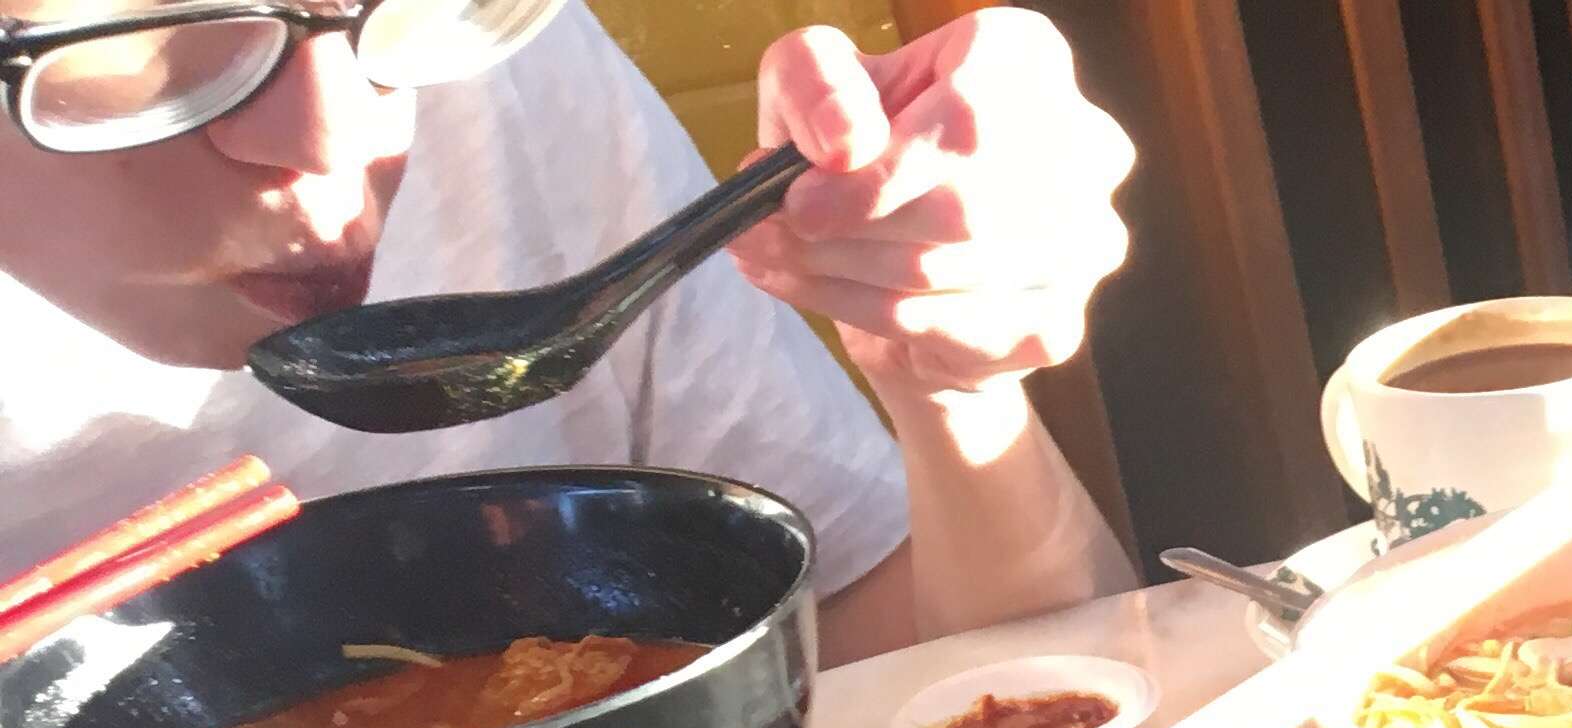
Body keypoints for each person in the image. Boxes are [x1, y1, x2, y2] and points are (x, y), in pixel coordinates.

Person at [0, 0, 1134, 661]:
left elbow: (948, 673)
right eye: (141, 40)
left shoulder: (481, 54)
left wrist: (945, 381)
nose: (337, 137)